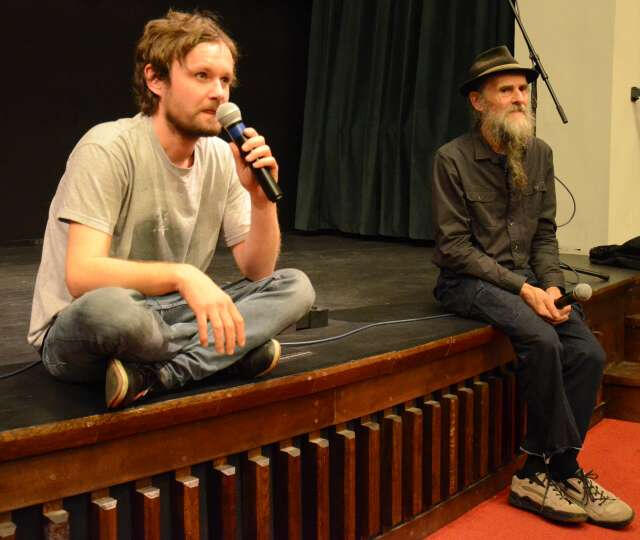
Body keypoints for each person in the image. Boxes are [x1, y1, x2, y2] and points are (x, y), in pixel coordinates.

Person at [28, 10, 315, 409]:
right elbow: (82, 276)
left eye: (225, 80)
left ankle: (158, 376)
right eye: (202, 76)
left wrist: (260, 200)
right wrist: (183, 276)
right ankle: (225, 355)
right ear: (155, 79)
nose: (219, 93)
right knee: (111, 312)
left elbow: (258, 270)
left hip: (171, 315)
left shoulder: (221, 156)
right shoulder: (107, 148)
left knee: (295, 287)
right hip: (86, 324)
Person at [431, 45, 634, 528]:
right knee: (542, 341)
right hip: (469, 281)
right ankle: (545, 473)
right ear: (478, 101)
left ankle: (552, 471)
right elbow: (454, 249)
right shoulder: (451, 159)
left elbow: (545, 236)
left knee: (588, 352)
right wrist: (524, 291)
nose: (520, 98)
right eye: (506, 90)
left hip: (527, 281)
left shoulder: (539, 153)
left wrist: (554, 287)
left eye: (523, 89)